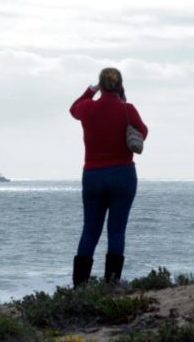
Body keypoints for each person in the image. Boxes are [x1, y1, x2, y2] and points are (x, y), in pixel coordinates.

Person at [69, 68, 148, 287]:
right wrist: (122, 101)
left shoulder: (87, 108)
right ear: (120, 85)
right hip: (123, 174)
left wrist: (90, 90)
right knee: (116, 231)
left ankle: (80, 287)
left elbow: (73, 109)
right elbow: (143, 132)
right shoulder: (127, 110)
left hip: (93, 175)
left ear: (100, 86)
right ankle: (111, 285)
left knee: (90, 231)